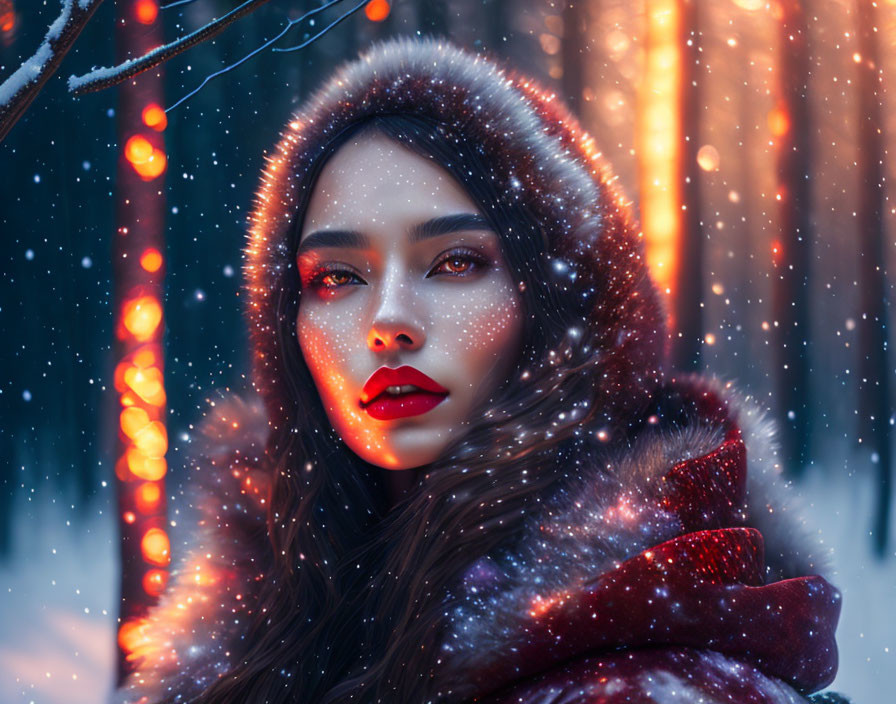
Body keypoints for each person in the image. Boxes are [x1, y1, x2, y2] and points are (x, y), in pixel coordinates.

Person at [114, 36, 847, 704]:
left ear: (561, 302)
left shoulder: (645, 683)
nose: (388, 320)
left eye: (455, 262)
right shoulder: (275, 615)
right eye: (337, 277)